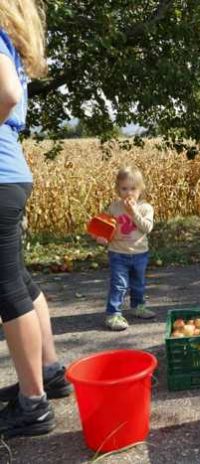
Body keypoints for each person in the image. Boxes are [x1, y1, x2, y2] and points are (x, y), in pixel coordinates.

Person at [0, 0, 70, 438]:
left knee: (7, 290)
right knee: (21, 282)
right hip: (11, 174)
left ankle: (33, 404)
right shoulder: (10, 43)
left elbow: (5, 95)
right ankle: (50, 372)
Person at [91, 167, 155, 331]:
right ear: (118, 189)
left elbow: (147, 228)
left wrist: (133, 212)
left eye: (133, 189)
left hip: (140, 253)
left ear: (141, 189)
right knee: (119, 284)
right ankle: (113, 314)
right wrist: (101, 236)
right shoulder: (114, 208)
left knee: (138, 283)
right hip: (118, 253)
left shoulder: (145, 208)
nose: (128, 193)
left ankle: (138, 306)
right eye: (124, 188)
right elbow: (106, 227)